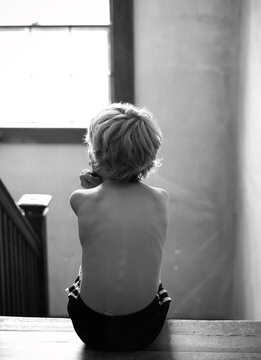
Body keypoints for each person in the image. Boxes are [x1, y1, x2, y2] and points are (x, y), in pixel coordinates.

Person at [66, 102, 171, 351]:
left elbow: (106, 210)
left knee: (86, 269)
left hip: (89, 327)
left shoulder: (80, 199)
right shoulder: (161, 199)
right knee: (154, 278)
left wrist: (93, 186)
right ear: (150, 154)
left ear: (95, 153)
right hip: (145, 328)